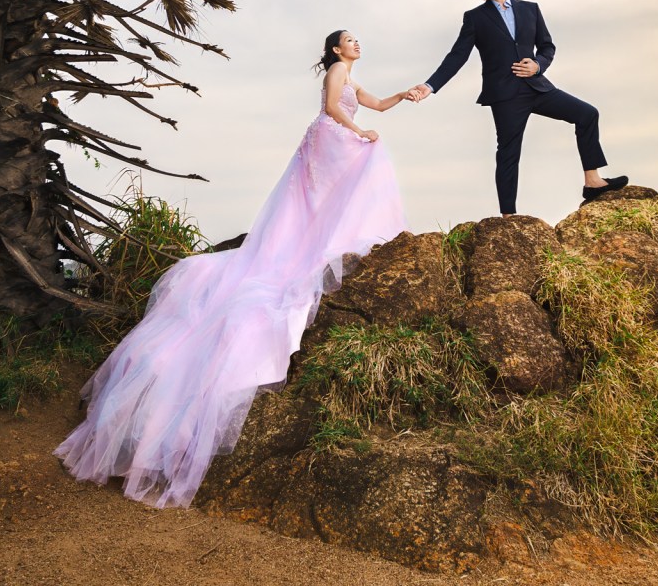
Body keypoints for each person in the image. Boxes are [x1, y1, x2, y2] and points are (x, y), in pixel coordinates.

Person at [55, 30, 412, 507]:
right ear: (335, 49)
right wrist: (358, 130)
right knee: (360, 162)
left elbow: (377, 104)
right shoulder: (336, 71)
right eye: (349, 40)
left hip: (336, 135)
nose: (357, 44)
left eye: (357, 40)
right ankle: (329, 239)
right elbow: (332, 109)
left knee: (359, 166)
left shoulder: (352, 75)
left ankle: (341, 233)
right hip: (330, 137)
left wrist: (403, 95)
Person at [408, 0, 626, 214]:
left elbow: (547, 46)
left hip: (538, 88)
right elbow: (457, 56)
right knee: (508, 153)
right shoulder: (475, 18)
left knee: (587, 114)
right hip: (505, 96)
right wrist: (430, 86)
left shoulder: (530, 9)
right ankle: (508, 216)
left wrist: (538, 65)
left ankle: (592, 181)